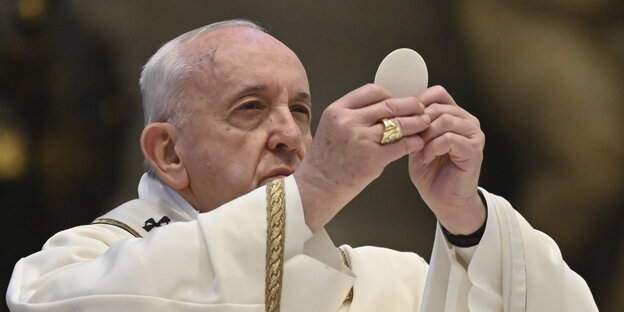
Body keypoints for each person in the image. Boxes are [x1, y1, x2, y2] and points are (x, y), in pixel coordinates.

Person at [6, 19, 598, 311]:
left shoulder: (392, 284)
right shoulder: (76, 265)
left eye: (300, 109)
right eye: (251, 108)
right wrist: (315, 188)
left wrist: (467, 221)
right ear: (169, 151)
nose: (290, 135)